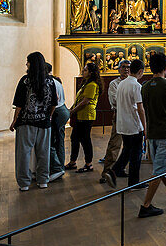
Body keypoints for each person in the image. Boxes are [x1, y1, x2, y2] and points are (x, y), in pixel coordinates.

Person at [10, 52, 57, 191]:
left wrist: (14, 121)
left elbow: (19, 104)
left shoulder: (25, 80)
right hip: (44, 123)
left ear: (32, 64)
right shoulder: (50, 81)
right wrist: (48, 116)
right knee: (43, 152)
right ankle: (43, 180)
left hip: (26, 122)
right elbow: (54, 102)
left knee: (23, 153)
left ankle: (24, 183)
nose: (26, 64)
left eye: (28, 61)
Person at [138, 52, 166, 218]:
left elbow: (144, 108)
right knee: (160, 170)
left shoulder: (145, 86)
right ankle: (146, 205)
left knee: (161, 167)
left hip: (152, 132)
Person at [109, 59, 147, 188]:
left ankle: (114, 171)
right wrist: (145, 127)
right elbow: (140, 108)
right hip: (134, 125)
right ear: (140, 71)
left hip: (123, 124)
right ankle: (133, 182)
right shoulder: (136, 85)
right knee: (136, 155)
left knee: (127, 150)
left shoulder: (121, 84)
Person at [66, 61, 101, 172]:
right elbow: (79, 100)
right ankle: (72, 162)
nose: (83, 71)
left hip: (86, 115)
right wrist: (71, 109)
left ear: (90, 73)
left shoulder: (92, 85)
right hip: (80, 115)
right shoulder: (86, 84)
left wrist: (72, 111)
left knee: (85, 140)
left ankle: (89, 164)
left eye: (85, 70)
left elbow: (85, 102)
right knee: (74, 138)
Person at [99, 59, 130, 186]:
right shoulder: (114, 83)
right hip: (120, 115)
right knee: (115, 145)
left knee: (129, 146)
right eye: (123, 67)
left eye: (128, 67)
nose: (126, 69)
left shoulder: (132, 82)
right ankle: (107, 172)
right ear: (118, 69)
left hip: (131, 116)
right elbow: (115, 100)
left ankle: (119, 168)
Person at [47, 63, 69, 182]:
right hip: (63, 110)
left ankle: (56, 168)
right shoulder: (56, 80)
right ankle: (60, 167)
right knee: (59, 140)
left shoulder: (49, 82)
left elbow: (53, 101)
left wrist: (49, 115)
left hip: (56, 112)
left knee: (50, 141)